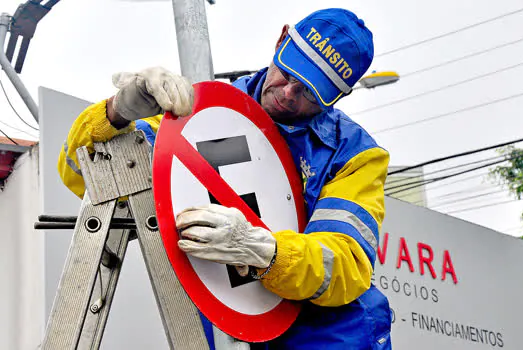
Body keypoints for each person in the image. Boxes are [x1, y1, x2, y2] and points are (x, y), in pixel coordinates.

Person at [58, 8, 392, 350]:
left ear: (339, 96)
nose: (287, 93)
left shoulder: (354, 155)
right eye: (289, 73)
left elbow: (344, 264)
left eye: (309, 91)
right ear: (281, 40)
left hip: (330, 338)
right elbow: (88, 176)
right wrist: (118, 111)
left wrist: (265, 251)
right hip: (232, 333)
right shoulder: (203, 112)